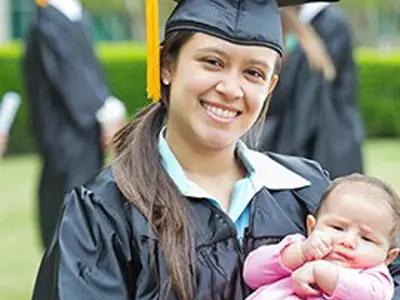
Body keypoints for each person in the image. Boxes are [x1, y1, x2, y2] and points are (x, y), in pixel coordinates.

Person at [30, 0, 400, 299]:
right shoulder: (104, 215)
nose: (231, 88)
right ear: (166, 65)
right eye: (212, 62)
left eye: (253, 73)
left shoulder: (307, 189)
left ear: (270, 85)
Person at [22, 0, 126, 249]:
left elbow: (88, 72)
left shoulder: (70, 15)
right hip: (65, 138)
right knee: (68, 211)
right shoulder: (47, 24)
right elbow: (71, 76)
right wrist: (107, 112)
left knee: (85, 209)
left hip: (84, 135)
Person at [243, 174, 400, 299]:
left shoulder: (374, 278)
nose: (348, 241)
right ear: (312, 227)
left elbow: (369, 295)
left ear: (389, 257)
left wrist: (321, 272)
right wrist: (298, 253)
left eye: (367, 239)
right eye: (337, 228)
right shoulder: (299, 247)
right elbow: (252, 273)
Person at [260, 2, 364, 179]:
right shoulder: (312, 27)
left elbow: (306, 104)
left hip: (322, 146)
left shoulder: (327, 24)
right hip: (327, 145)